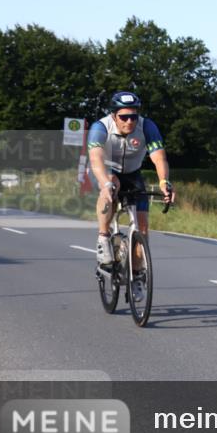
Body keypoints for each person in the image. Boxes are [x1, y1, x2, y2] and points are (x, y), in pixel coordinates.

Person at [88, 91, 175, 301]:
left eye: (133, 116)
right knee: (112, 185)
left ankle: (137, 275)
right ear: (114, 115)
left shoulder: (147, 127)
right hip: (106, 171)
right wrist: (106, 183)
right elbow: (96, 158)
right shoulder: (100, 127)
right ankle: (103, 237)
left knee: (142, 228)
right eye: (124, 117)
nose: (129, 121)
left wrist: (164, 182)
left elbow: (159, 158)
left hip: (133, 174)